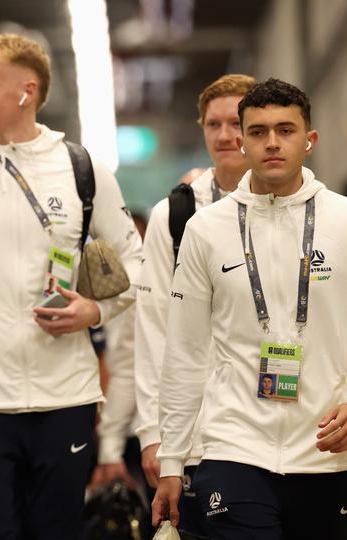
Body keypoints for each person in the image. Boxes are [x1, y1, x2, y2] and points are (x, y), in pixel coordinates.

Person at [151, 78, 347, 539]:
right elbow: (184, 352)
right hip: (233, 447)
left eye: (286, 130)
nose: (272, 142)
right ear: (242, 142)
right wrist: (172, 457)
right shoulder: (205, 230)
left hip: (325, 450)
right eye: (258, 131)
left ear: (310, 141)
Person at [0, 33, 142, 539]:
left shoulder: (82, 171)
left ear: (27, 91)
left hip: (66, 400)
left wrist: (97, 312)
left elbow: (141, 264)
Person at [133, 73, 256, 537]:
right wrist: (153, 434)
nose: (225, 136)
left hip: (290, 428)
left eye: (236, 123)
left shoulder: (309, 209)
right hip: (202, 438)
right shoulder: (177, 214)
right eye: (213, 124)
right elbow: (153, 328)